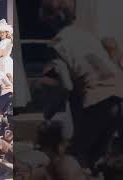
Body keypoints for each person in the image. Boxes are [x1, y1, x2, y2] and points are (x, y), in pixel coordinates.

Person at [40, 0, 123, 175]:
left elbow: (66, 86)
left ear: (49, 19)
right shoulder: (86, 35)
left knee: (75, 155)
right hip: (119, 94)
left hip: (98, 99)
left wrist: (50, 111)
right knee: (96, 155)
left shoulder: (58, 44)